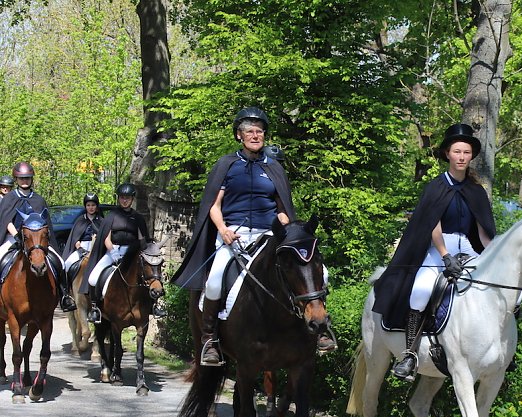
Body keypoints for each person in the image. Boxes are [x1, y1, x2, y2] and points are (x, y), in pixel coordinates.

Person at [173, 107, 334, 366]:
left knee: (315, 271)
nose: (255, 135)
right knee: (215, 280)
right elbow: (214, 206)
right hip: (232, 234)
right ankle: (210, 340)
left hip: (268, 235)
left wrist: (289, 233)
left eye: (260, 131)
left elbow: (282, 211)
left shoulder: (274, 168)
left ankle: (320, 329)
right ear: (239, 135)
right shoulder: (227, 165)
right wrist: (223, 230)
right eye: (250, 131)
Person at [372, 123, 496, 379]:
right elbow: (433, 227)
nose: (461, 157)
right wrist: (445, 256)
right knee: (420, 292)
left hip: (469, 249)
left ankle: (498, 352)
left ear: (471, 156)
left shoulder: (476, 191)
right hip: (439, 250)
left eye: (466, 152)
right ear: (448, 154)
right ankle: (410, 355)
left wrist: (493, 258)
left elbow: (483, 233)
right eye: (457, 151)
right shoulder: (436, 187)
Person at [0, 161, 77, 311]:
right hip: (13, 238)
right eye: (22, 178)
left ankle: (64, 296)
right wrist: (16, 235)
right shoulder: (9, 199)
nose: (24, 181)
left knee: (60, 262)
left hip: (37, 241)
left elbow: (46, 223)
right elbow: (5, 220)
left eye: (27, 178)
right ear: (16, 179)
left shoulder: (39, 200)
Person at [80, 183, 161, 323]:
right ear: (119, 199)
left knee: (150, 275)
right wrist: (113, 252)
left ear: (132, 199)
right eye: (122, 197)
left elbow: (143, 239)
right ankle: (95, 308)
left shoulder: (138, 218)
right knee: (93, 277)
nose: (125, 200)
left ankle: (154, 306)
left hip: (133, 253)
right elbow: (106, 237)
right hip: (113, 250)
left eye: (128, 198)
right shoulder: (111, 216)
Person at [62, 192, 103, 274]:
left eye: (93, 205)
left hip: (97, 249)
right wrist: (80, 249)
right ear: (85, 206)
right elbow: (75, 238)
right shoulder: (80, 220)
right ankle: (65, 286)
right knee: (66, 265)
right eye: (88, 205)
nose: (91, 207)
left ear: (96, 206)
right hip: (81, 248)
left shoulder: (101, 221)